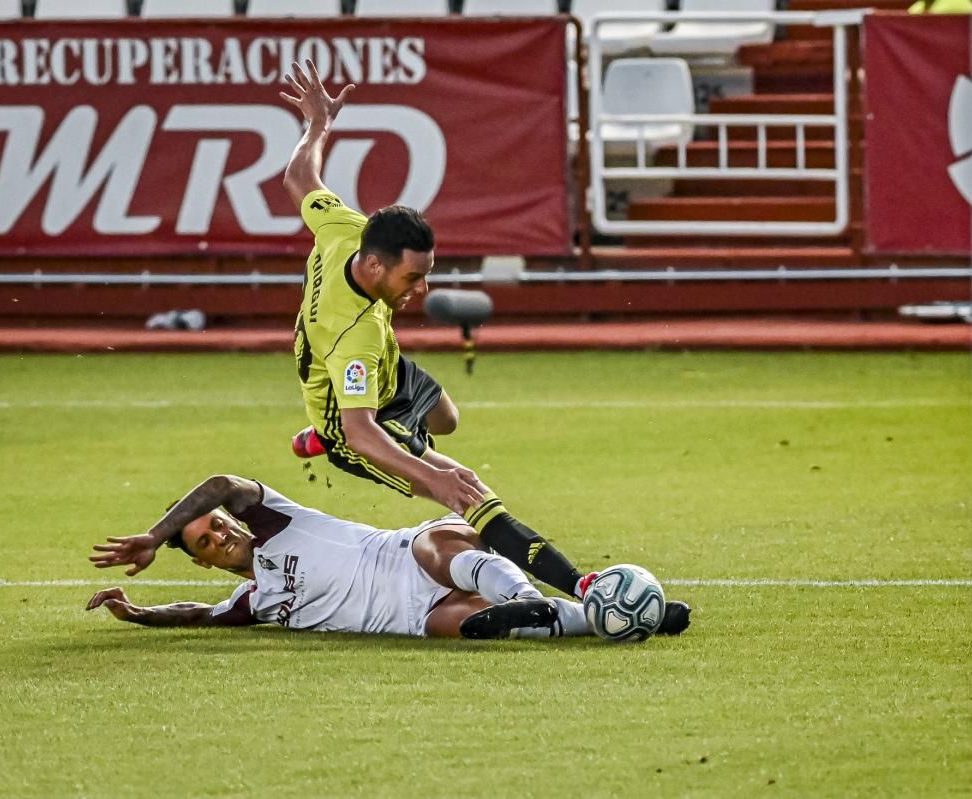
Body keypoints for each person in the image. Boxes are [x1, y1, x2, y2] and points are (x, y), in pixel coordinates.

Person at [276, 60, 690, 634]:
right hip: (354, 418)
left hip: (387, 375)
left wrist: (317, 126)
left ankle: (340, 435)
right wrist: (436, 481)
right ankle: (590, 595)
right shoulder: (354, 337)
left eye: (428, 274)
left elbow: (300, 180)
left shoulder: (346, 229)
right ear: (374, 265)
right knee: (467, 485)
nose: (423, 290)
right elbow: (365, 431)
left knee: (446, 418)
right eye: (412, 278)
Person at [86, 475, 595, 640]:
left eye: (217, 524)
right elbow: (196, 614)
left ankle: (530, 599)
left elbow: (220, 484)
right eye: (205, 542)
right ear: (203, 563)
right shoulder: (256, 603)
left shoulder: (276, 521)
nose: (219, 536)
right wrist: (137, 613)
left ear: (233, 519)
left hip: (412, 553)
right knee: (469, 627)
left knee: (434, 550)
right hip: (416, 617)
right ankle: (608, 618)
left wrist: (156, 536)